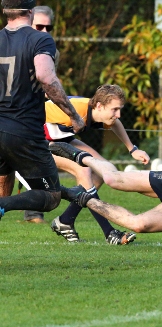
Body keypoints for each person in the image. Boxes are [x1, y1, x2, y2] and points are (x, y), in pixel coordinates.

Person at [0, 0, 85, 222]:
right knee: (51, 196)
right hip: (24, 130)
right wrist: (73, 115)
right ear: (30, 11)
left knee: (3, 182)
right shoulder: (40, 39)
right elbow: (46, 77)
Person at [47, 85, 149, 245]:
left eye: (120, 109)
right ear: (100, 106)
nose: (118, 114)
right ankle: (109, 233)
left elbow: (116, 124)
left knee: (102, 169)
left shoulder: (95, 112)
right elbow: (33, 115)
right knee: (85, 171)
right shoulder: (75, 110)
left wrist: (132, 149)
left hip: (61, 140)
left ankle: (65, 221)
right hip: (39, 144)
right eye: (115, 109)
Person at [23, 4, 58, 224]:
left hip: (35, 115)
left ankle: (32, 212)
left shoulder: (52, 50)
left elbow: (50, 83)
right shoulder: (12, 44)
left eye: (49, 27)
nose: (44, 31)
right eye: (39, 26)